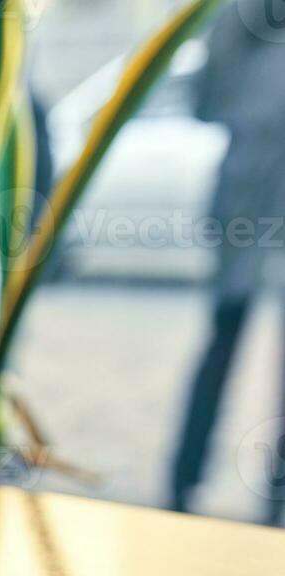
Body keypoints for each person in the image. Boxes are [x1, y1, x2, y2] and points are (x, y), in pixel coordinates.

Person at [171, 7, 285, 524]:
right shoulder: (239, 17)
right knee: (222, 339)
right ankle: (182, 482)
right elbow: (206, 100)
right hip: (248, 195)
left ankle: (268, 498)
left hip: (247, 191)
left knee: (223, 340)